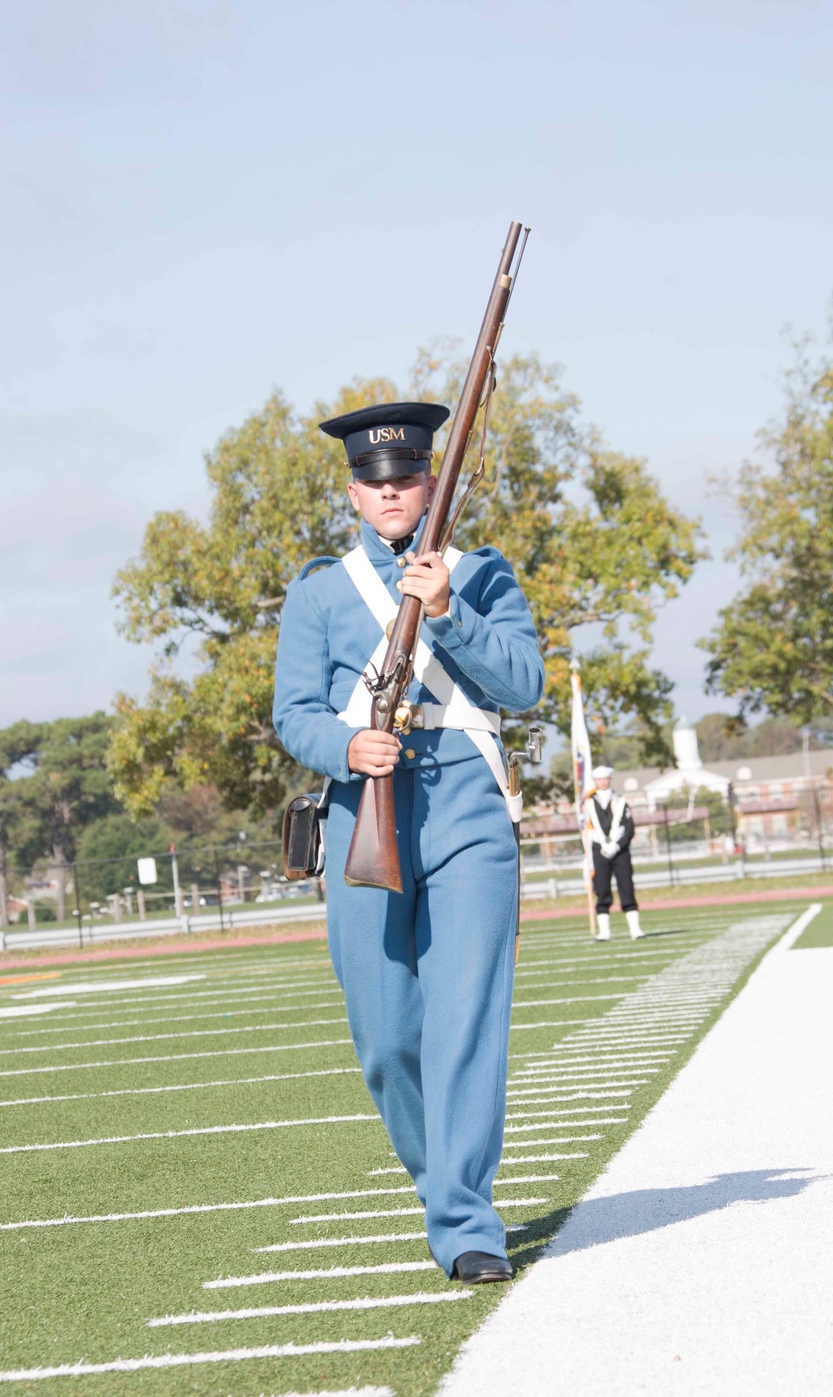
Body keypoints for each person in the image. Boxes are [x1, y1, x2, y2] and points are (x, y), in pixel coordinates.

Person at [273, 401, 544, 1285]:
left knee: (465, 1026)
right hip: (364, 813)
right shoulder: (320, 589)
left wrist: (451, 612)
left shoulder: (479, 572)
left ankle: (466, 1222)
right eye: (376, 482)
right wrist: (345, 746)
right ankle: (444, 1187)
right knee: (390, 1042)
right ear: (355, 492)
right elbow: (294, 713)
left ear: (431, 482)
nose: (392, 493)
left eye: (408, 478)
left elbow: (524, 682)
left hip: (468, 811)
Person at [587, 764, 643, 941]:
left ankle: (635, 929)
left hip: (620, 851)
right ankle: (604, 932)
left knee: (626, 887)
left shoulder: (620, 799)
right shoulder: (587, 802)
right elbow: (584, 828)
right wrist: (598, 843)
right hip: (599, 851)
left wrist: (618, 845)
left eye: (604, 779)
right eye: (598, 779)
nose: (601, 782)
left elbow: (629, 827)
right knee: (602, 888)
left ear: (609, 780)